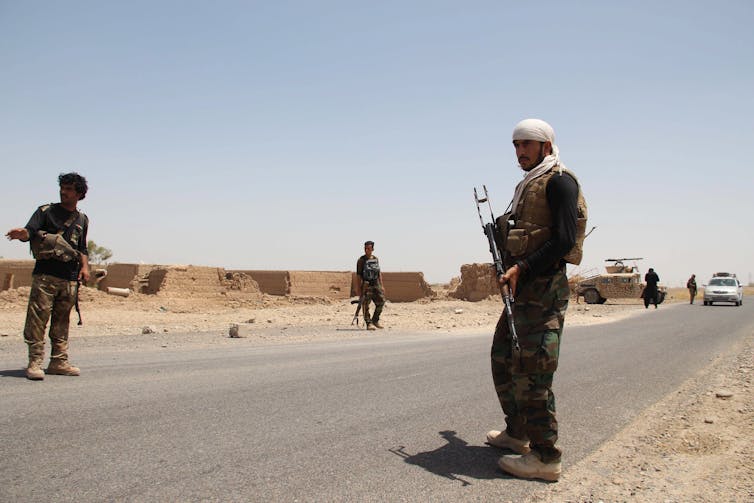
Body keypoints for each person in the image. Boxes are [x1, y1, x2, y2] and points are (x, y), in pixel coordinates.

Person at [487, 119, 587, 482]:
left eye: (527, 144)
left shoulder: (560, 181)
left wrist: (524, 266)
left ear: (546, 145)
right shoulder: (527, 185)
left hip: (544, 289)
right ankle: (518, 433)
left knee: (535, 372)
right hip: (522, 288)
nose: (520, 151)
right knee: (503, 358)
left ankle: (546, 457)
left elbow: (562, 240)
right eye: (516, 145)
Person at [6, 173, 90, 380]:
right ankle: (35, 362)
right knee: (37, 320)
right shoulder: (45, 211)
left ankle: (58, 361)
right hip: (45, 275)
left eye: (69, 189)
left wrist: (85, 268)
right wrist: (22, 234)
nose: (63, 192)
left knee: (62, 321)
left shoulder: (82, 219)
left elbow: (82, 248)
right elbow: (30, 231)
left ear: (79, 193)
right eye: (62, 187)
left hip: (69, 278)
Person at [355, 240, 386, 331]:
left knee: (381, 302)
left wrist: (381, 285)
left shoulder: (375, 259)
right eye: (365, 248)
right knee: (365, 304)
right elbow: (358, 275)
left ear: (372, 249)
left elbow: (379, 272)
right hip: (366, 284)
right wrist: (358, 288)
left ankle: (375, 320)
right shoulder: (361, 260)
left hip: (376, 284)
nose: (367, 250)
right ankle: (368, 323)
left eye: (369, 248)